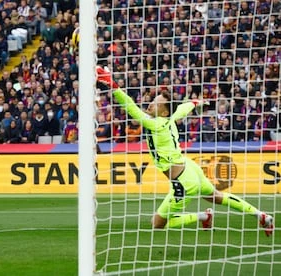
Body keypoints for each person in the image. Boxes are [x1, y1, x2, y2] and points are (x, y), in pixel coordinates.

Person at [97, 67, 274, 236]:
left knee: (157, 223)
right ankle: (262, 216)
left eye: (156, 104)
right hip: (190, 169)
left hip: (183, 182)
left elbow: (131, 108)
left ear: (164, 111)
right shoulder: (170, 117)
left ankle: (203, 216)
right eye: (152, 102)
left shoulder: (157, 123)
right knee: (217, 196)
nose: (150, 105)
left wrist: (112, 85)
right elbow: (182, 108)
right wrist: (195, 102)